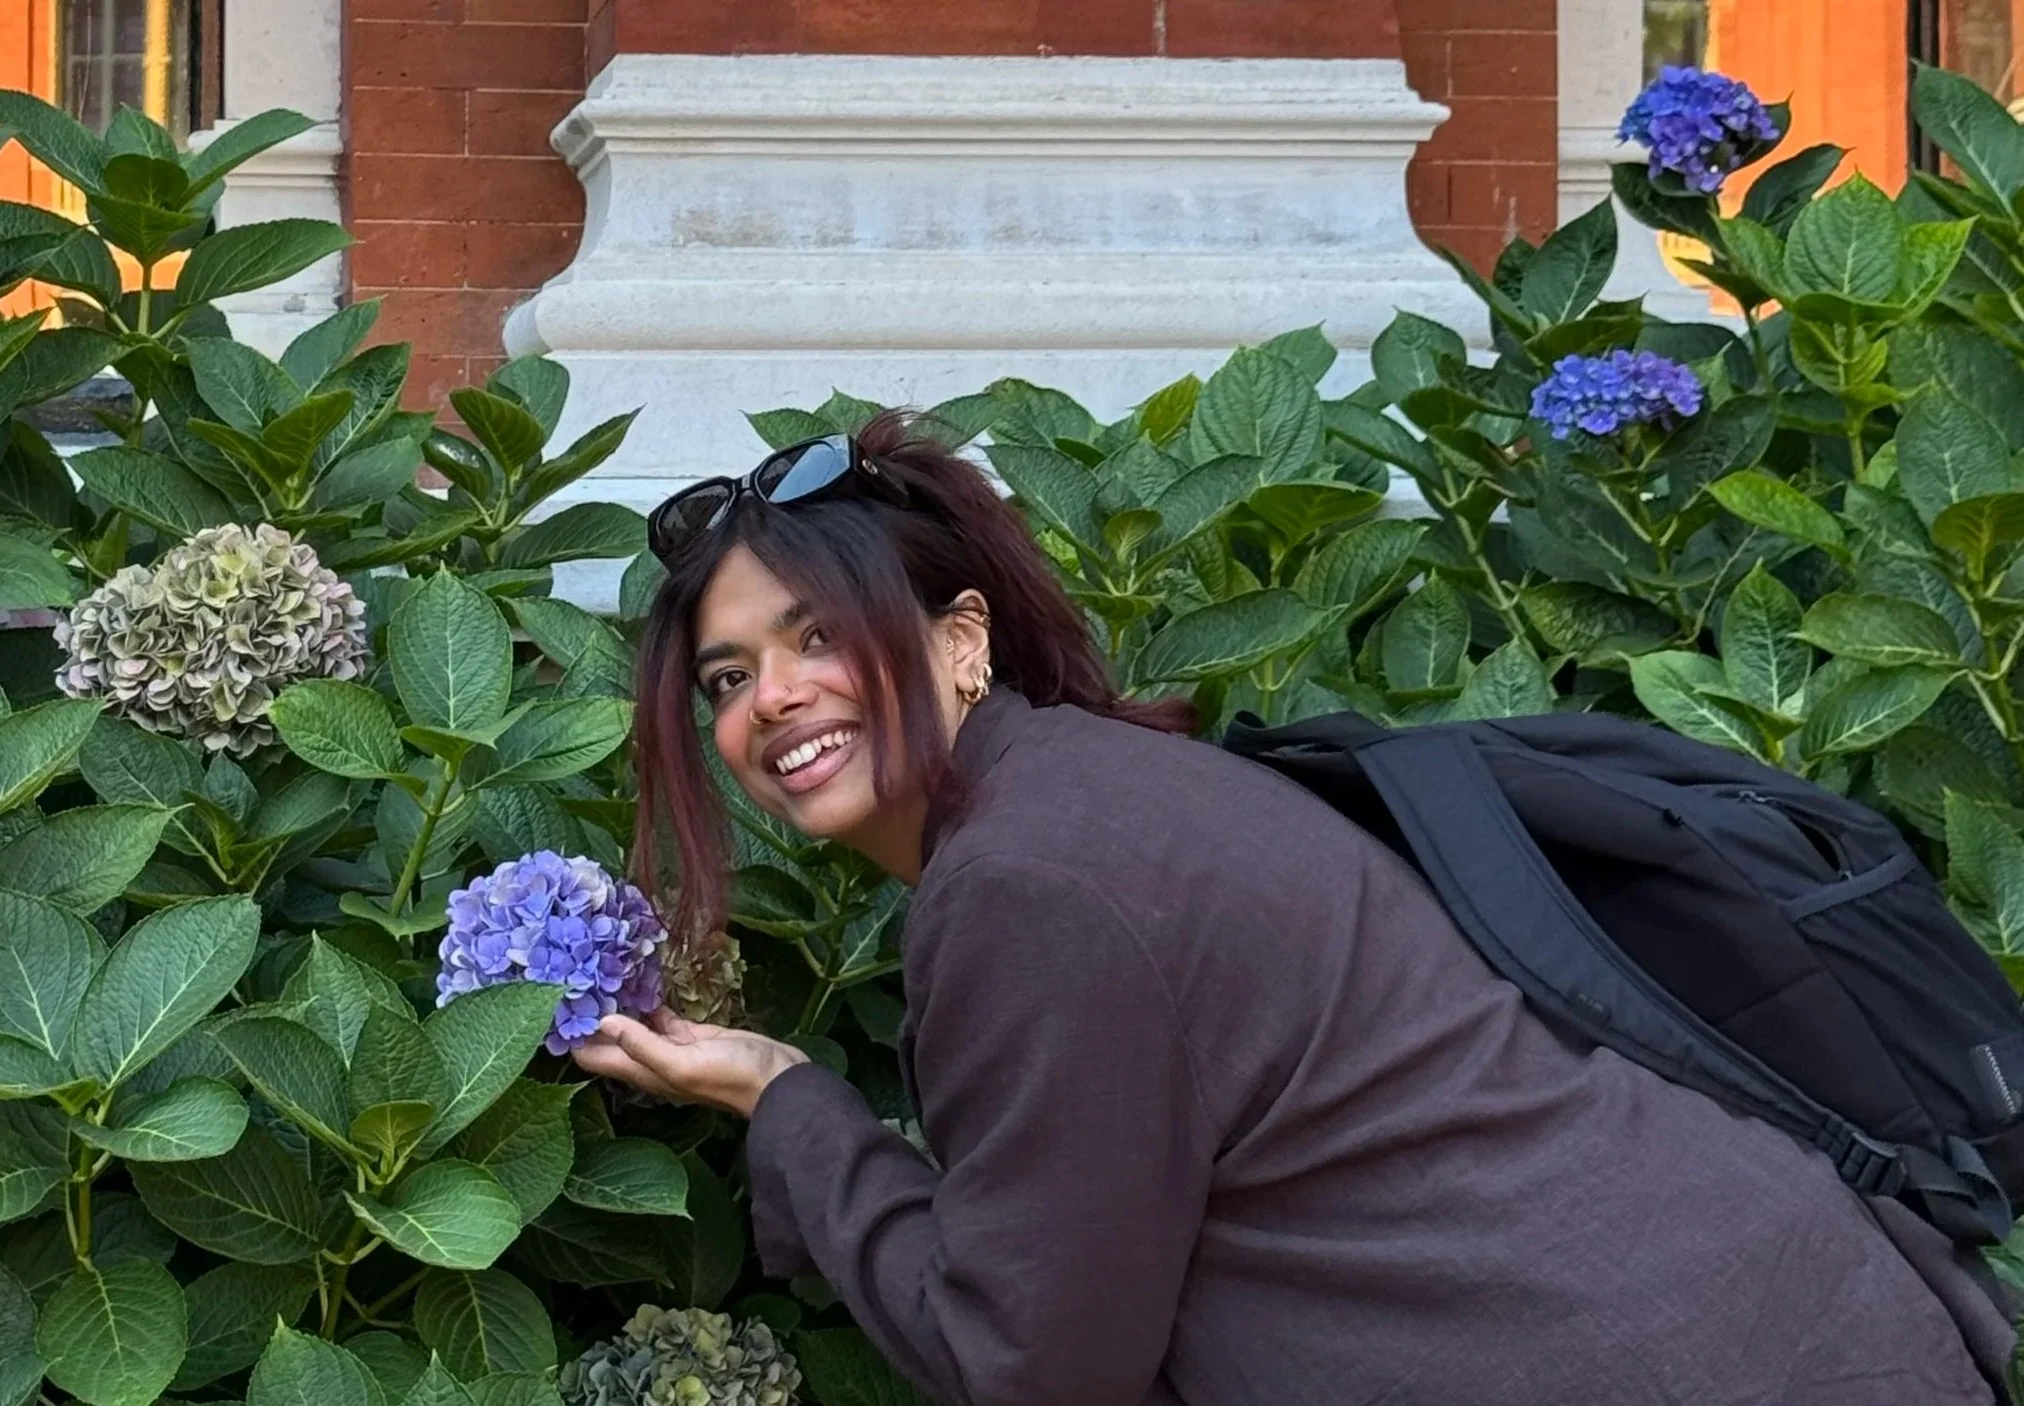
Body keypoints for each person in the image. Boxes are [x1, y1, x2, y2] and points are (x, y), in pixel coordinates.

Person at [568, 410, 2008, 1406]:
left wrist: (791, 1097)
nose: (775, 699)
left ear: (960, 640)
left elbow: (1032, 1360)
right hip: (1780, 1322)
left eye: (818, 636)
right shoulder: (1092, 793)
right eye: (730, 677)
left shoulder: (1026, 883)